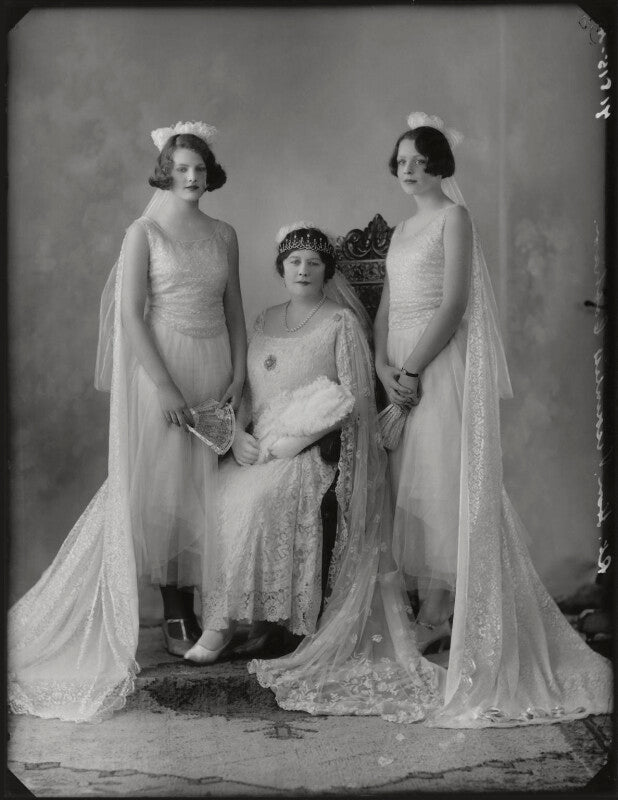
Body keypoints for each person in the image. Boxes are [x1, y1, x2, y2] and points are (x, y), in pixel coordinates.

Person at [249, 114, 612, 727]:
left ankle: (449, 610)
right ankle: (428, 611)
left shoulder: (453, 218)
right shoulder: (405, 229)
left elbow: (454, 303)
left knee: (444, 482)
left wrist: (414, 370)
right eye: (402, 161)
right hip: (399, 367)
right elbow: (388, 306)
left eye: (419, 160)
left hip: (439, 364)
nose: (408, 169)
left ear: (440, 164)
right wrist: (387, 367)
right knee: (402, 485)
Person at [8, 121, 247, 722]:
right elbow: (132, 317)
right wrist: (163, 384)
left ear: (210, 172)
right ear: (165, 172)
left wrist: (239, 377)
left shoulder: (225, 234)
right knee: (166, 486)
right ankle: (174, 606)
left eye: (200, 168)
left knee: (211, 487)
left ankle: (208, 604)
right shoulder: (143, 232)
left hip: (215, 359)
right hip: (163, 364)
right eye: (181, 168)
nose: (192, 177)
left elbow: (236, 310)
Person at [183, 222, 382, 664]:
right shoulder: (264, 318)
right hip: (261, 442)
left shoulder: (340, 322)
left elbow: (356, 399)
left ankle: (219, 630)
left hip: (310, 448)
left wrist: (301, 440)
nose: (303, 270)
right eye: (294, 262)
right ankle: (236, 616)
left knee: (257, 499)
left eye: (314, 263)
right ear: (282, 268)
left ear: (327, 270)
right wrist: (237, 438)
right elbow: (250, 393)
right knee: (217, 493)